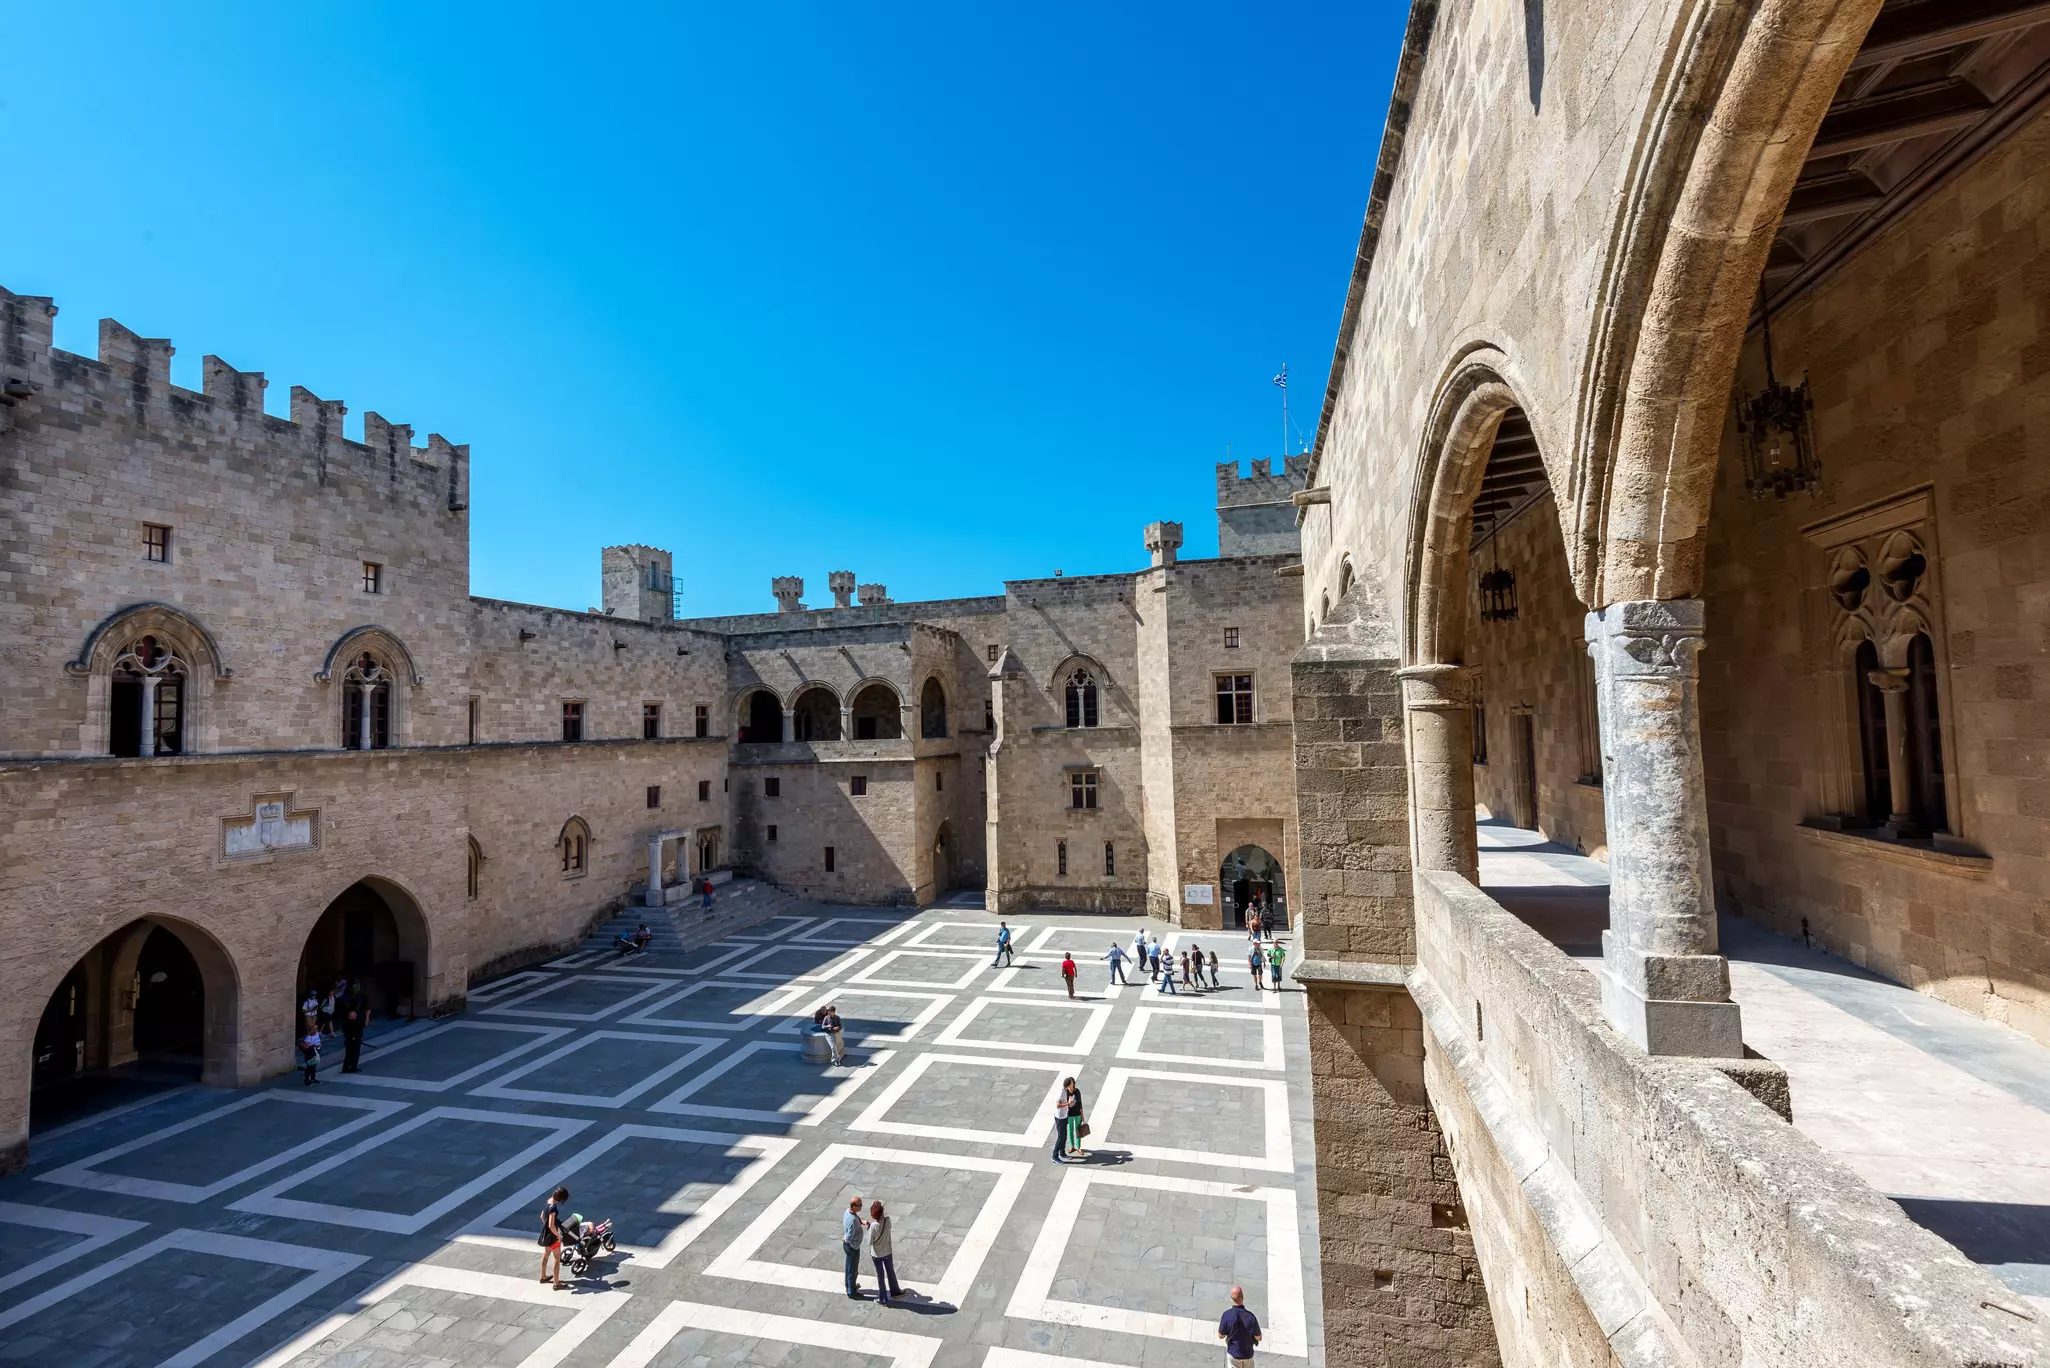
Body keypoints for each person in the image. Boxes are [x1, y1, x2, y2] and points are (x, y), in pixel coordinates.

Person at [867, 1200, 904, 1303]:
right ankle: (895, 1292)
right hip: (887, 1252)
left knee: (880, 1275)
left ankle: (883, 1299)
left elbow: (869, 1242)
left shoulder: (873, 1226)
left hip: (876, 1254)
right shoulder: (888, 1220)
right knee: (890, 1271)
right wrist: (879, 1205)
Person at [1218, 1286, 1263, 1367]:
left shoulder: (1226, 1315)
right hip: (1248, 1355)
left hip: (1233, 1354)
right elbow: (1258, 1337)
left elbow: (1221, 1335)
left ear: (1232, 1298)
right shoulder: (1251, 1317)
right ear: (1242, 1297)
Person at [540, 1185, 570, 1290]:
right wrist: (558, 1235)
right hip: (552, 1236)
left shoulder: (548, 1201)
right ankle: (556, 1282)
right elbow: (551, 1225)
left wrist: (546, 1227)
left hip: (546, 1235)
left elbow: (542, 1215)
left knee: (546, 1255)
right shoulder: (553, 1208)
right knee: (557, 1258)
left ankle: (543, 1276)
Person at [339, 979, 369, 1073]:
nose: (355, 987)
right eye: (354, 985)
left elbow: (367, 1009)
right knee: (351, 1048)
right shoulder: (347, 998)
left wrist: (366, 1019)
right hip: (350, 1026)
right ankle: (349, 1067)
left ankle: (352, 1066)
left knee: (355, 1048)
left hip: (357, 1025)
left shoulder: (362, 997)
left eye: (357, 985)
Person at [842, 1196, 868, 1298]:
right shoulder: (852, 1220)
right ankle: (852, 1292)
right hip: (852, 1247)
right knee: (853, 1270)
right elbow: (848, 1236)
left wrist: (863, 1222)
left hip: (849, 1246)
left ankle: (849, 1286)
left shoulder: (847, 1212)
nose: (861, 1206)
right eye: (859, 1205)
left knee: (848, 1266)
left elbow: (856, 1218)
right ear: (853, 1206)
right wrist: (846, 1240)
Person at [1062, 1076, 1087, 1158]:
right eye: (1070, 1083)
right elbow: (1063, 1103)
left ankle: (1078, 1147)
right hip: (1069, 1115)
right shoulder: (1066, 1092)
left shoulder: (1077, 1091)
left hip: (1077, 1115)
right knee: (1070, 1131)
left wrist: (1083, 1118)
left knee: (1078, 1131)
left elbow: (1080, 1105)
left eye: (1072, 1082)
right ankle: (1072, 1146)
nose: (1071, 1084)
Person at [1051, 1084, 1071, 1162]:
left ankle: (1062, 1152)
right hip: (1060, 1118)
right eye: (1072, 1084)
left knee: (1064, 1135)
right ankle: (1054, 1156)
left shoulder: (1066, 1091)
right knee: (1060, 1137)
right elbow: (1058, 1105)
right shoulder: (1061, 1092)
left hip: (1064, 1116)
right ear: (1068, 1084)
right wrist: (1067, 1103)